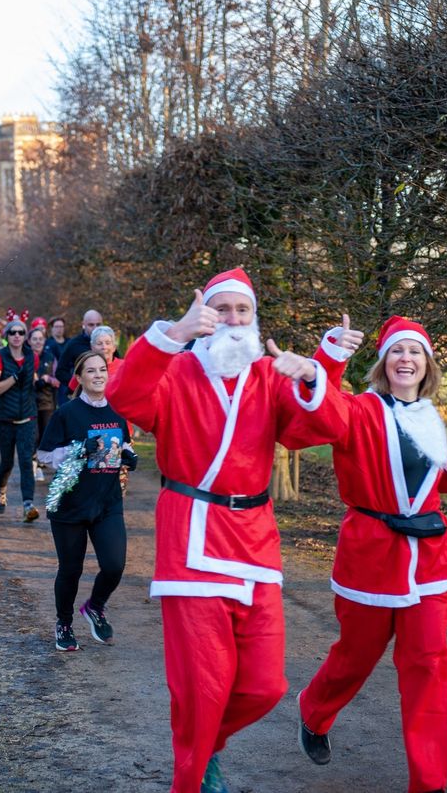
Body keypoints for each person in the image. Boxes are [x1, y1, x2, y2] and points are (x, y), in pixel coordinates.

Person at [104, 267, 348, 793]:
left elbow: (328, 426)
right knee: (202, 689)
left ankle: (208, 742)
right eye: (224, 309)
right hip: (191, 540)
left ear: (254, 318)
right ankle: (190, 781)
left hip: (255, 541)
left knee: (265, 685)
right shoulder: (177, 369)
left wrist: (311, 374)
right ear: (207, 316)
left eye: (243, 310)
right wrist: (172, 333)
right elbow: (125, 396)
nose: (234, 319)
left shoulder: (268, 375)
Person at [296, 316, 447, 793]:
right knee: (356, 656)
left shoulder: (430, 416)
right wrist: (329, 354)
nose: (405, 359)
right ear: (384, 362)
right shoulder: (360, 409)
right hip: (371, 557)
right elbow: (319, 413)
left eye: (414, 351)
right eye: (396, 351)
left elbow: (440, 475)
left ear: (427, 364)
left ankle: (429, 784)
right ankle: (315, 711)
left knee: (428, 666)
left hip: (429, 561)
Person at [38, 351, 138, 651]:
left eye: (102, 370)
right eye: (91, 371)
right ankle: (64, 623)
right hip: (71, 504)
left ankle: (95, 607)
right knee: (71, 569)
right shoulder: (66, 414)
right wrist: (79, 449)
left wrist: (130, 457)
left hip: (107, 503)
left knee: (115, 565)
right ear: (79, 378)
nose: (98, 375)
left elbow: (125, 444)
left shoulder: (117, 412)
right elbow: (43, 456)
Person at [0, 319, 40, 522]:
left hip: (27, 416)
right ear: (6, 336)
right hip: (4, 418)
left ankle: (28, 505)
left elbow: (31, 381)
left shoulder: (31, 357)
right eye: (12, 332)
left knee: (27, 461)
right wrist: (13, 379)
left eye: (20, 332)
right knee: (7, 462)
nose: (16, 335)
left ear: (25, 336)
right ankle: (1, 489)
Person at [30, 326, 59, 483]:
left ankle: (40, 465)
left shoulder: (50, 357)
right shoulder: (26, 357)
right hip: (30, 403)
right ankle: (33, 465)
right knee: (33, 436)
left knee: (44, 436)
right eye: (34, 339)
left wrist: (47, 379)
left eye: (40, 339)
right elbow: (29, 381)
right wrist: (44, 379)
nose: (38, 341)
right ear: (29, 341)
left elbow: (57, 380)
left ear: (44, 340)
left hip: (47, 403)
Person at [55, 309, 104, 396]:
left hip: (105, 394)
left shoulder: (107, 345)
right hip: (82, 395)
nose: (95, 328)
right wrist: (79, 383)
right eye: (91, 325)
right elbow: (60, 372)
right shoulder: (74, 344)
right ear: (83, 325)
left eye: (98, 324)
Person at [66, 325, 123, 392]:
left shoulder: (124, 366)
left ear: (114, 347)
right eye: (99, 343)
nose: (104, 347)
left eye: (108, 343)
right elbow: (71, 392)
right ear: (92, 347)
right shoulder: (84, 366)